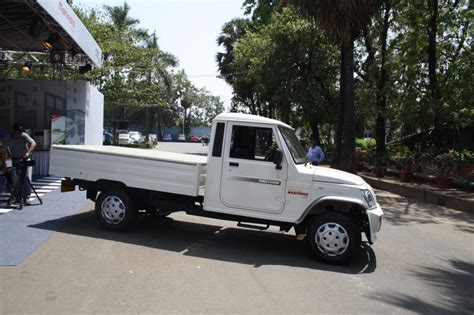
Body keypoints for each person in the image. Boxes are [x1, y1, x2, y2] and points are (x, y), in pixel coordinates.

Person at [1, 123, 37, 205]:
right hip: (15, 160)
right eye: (18, 132)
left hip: (25, 159)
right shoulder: (7, 138)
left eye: (20, 132)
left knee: (27, 178)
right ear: (13, 131)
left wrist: (27, 153)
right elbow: (3, 153)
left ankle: (26, 197)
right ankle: (17, 197)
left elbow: (33, 143)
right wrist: (5, 165)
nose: (19, 134)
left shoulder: (23, 135)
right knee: (15, 179)